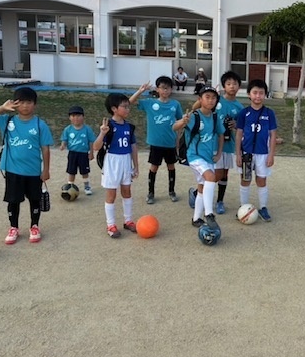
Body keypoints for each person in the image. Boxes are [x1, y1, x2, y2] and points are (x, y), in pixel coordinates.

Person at [0, 87, 53, 245]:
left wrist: (46, 170)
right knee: (13, 201)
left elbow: (45, 149)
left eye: (29, 102)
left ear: (35, 105)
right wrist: (2, 107)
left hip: (33, 171)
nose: (25, 106)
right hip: (13, 170)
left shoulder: (40, 124)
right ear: (15, 103)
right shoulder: (7, 121)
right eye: (21, 102)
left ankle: (34, 226)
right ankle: (13, 227)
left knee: (35, 200)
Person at [173, 86, 225, 228]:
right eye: (207, 97)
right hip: (194, 156)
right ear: (200, 99)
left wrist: (219, 153)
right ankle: (209, 214)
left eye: (213, 98)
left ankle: (196, 218)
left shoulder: (215, 117)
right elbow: (174, 127)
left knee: (202, 188)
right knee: (211, 177)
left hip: (208, 158)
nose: (210, 100)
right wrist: (183, 122)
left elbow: (221, 134)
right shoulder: (194, 116)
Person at [129, 76, 183, 205]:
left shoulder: (175, 104)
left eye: (168, 88)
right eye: (163, 88)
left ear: (171, 89)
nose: (165, 90)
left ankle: (171, 191)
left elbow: (180, 122)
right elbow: (130, 101)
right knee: (154, 167)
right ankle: (151, 192)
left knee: (171, 166)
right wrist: (140, 91)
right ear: (157, 89)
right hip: (155, 143)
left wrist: (178, 141)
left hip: (170, 142)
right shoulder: (150, 103)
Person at [93, 93, 139, 238]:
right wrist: (102, 134)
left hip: (126, 161)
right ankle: (111, 224)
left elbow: (133, 147)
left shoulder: (129, 127)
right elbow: (95, 147)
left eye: (128, 106)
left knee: (127, 191)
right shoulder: (108, 126)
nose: (127, 109)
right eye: (124, 107)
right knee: (111, 194)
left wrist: (136, 166)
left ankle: (128, 220)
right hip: (112, 162)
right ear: (114, 109)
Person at [235, 79, 277, 222]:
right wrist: (238, 154)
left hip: (263, 153)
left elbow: (273, 135)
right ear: (249, 94)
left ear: (265, 95)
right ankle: (243, 206)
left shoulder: (269, 113)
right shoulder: (244, 113)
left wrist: (271, 154)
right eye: (255, 93)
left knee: (261, 180)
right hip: (246, 153)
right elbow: (239, 134)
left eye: (261, 93)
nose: (258, 96)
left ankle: (263, 207)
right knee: (245, 179)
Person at [214, 71, 244, 214]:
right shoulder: (216, 100)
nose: (232, 86)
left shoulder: (240, 107)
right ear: (224, 86)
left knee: (224, 172)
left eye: (235, 84)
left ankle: (220, 201)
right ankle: (198, 192)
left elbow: (241, 127)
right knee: (215, 173)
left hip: (228, 143)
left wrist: (236, 125)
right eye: (228, 84)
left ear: (239, 86)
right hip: (213, 142)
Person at [59, 105, 96, 195]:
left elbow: (91, 142)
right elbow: (65, 139)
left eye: (78, 116)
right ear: (70, 117)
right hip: (72, 153)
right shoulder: (68, 129)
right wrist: (63, 145)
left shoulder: (87, 129)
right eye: (73, 116)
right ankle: (70, 186)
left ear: (83, 117)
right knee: (71, 171)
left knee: (84, 171)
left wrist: (91, 153)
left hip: (83, 153)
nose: (76, 118)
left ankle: (87, 186)